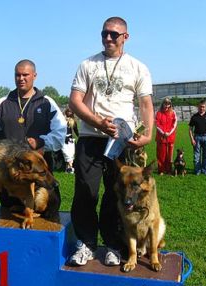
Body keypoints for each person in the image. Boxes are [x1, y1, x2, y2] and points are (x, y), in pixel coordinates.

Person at [68, 17, 154, 266]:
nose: (108, 38)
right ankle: (85, 243)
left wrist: (147, 134)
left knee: (118, 194)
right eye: (104, 33)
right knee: (86, 192)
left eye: (114, 34)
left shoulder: (138, 67)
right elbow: (75, 100)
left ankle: (113, 244)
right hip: (90, 138)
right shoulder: (88, 64)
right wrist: (96, 121)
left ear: (125, 37)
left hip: (121, 142)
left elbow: (146, 103)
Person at [0, 59, 66, 208]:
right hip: (11, 179)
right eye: (17, 75)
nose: (21, 79)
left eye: (25, 75)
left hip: (39, 175)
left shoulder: (47, 103)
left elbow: (60, 135)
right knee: (9, 220)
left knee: (45, 216)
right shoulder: (2, 104)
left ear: (35, 75)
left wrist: (41, 142)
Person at [188, 100, 206, 175]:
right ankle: (197, 170)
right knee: (196, 156)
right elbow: (190, 129)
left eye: (203, 107)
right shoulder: (194, 117)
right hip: (197, 137)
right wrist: (192, 139)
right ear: (198, 107)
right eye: (200, 106)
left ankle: (205, 170)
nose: (202, 108)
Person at [155, 98, 177, 175]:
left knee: (169, 154)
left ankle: (169, 170)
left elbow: (174, 124)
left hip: (170, 137)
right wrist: (163, 132)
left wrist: (169, 133)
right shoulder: (158, 113)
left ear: (170, 104)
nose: (167, 105)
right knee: (161, 154)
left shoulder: (173, 112)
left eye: (168, 104)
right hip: (161, 137)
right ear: (163, 104)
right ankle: (161, 170)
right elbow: (157, 124)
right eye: (165, 103)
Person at [62, 107, 79, 174]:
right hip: (63, 139)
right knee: (66, 153)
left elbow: (76, 130)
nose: (69, 113)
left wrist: (79, 137)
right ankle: (70, 168)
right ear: (66, 112)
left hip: (70, 139)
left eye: (71, 112)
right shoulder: (62, 119)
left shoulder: (73, 120)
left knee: (71, 154)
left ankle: (69, 168)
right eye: (68, 111)